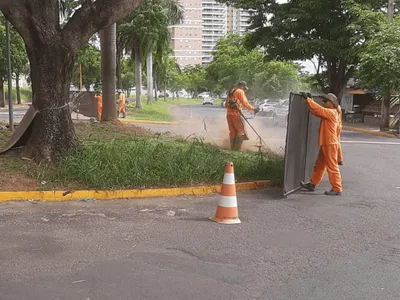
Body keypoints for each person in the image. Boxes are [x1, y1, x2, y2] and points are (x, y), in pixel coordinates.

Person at [300, 92, 342, 196]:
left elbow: (318, 110)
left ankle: (337, 188)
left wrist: (308, 100)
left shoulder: (331, 112)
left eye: (325, 101)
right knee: (320, 164)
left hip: (330, 143)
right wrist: (311, 100)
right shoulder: (331, 111)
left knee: (332, 166)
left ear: (332, 103)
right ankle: (312, 184)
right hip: (327, 142)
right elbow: (318, 110)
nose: (323, 102)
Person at [225, 81, 260, 151]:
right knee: (241, 132)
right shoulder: (240, 91)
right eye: (244, 88)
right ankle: (237, 150)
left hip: (229, 115)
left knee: (233, 132)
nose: (244, 90)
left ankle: (232, 149)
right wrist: (254, 109)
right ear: (242, 86)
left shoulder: (231, 92)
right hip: (236, 114)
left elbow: (226, 105)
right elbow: (245, 103)